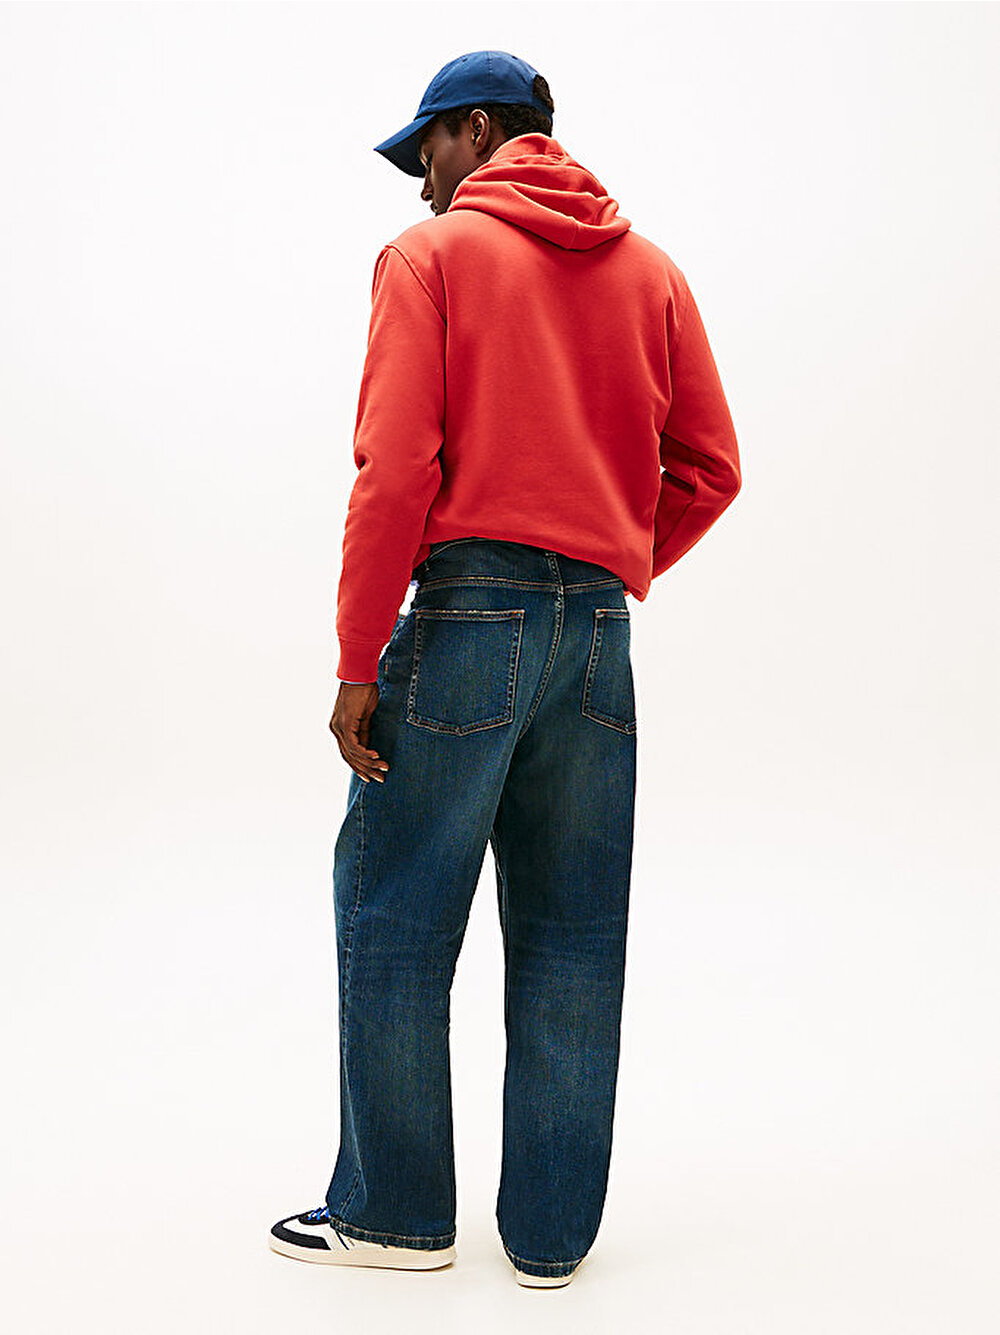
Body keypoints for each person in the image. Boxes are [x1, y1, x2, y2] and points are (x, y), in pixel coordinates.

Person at [269, 49, 741, 1288]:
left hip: (467, 621)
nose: (421, 179)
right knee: (573, 932)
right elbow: (710, 468)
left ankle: (394, 1218)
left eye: (426, 148)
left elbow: (395, 471)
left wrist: (357, 659)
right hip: (597, 641)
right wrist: (606, 559)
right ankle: (549, 1241)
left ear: (476, 129)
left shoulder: (429, 259)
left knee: (393, 910)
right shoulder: (652, 273)